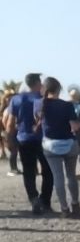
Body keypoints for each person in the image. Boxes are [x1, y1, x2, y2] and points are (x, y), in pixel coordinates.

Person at [37, 77, 80, 216]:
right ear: (59, 89)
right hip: (69, 144)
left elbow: (37, 120)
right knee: (71, 175)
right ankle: (75, 204)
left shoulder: (39, 104)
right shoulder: (67, 105)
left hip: (50, 145)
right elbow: (75, 127)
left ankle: (64, 208)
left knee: (58, 177)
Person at [9, 73, 51, 214]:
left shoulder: (16, 99)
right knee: (48, 170)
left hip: (24, 139)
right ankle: (45, 200)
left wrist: (10, 140)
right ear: (38, 83)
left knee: (28, 171)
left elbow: (10, 123)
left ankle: (33, 198)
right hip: (44, 140)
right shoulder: (44, 99)